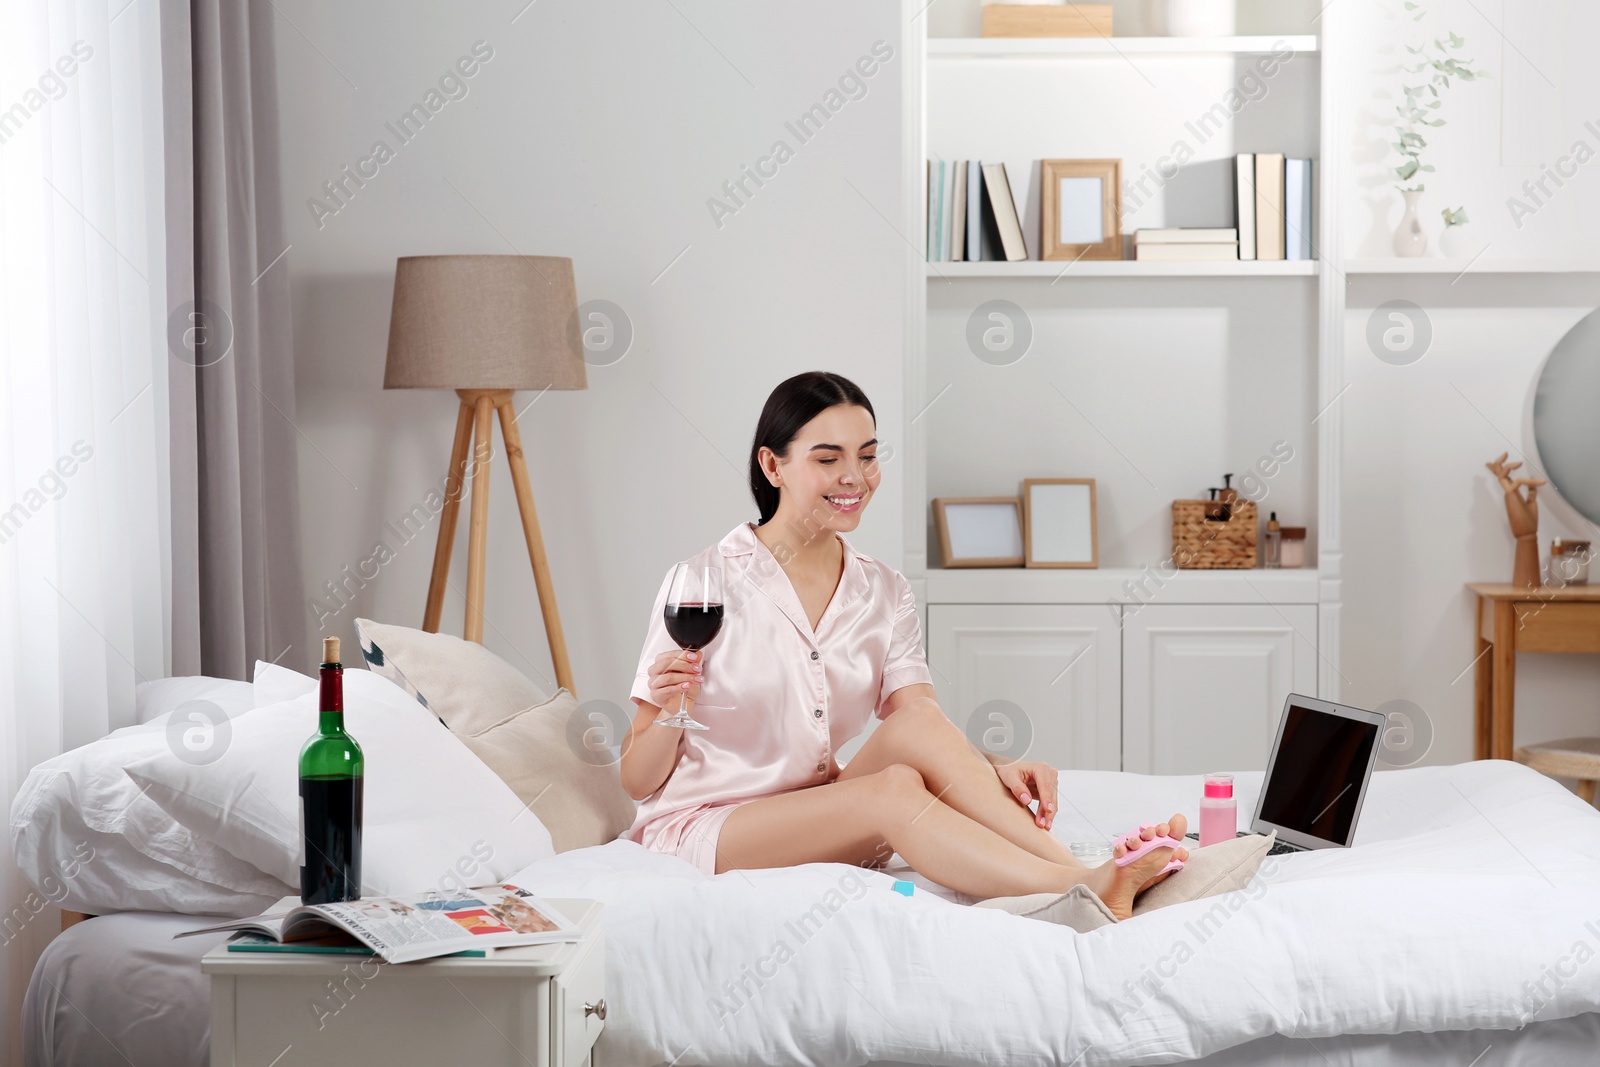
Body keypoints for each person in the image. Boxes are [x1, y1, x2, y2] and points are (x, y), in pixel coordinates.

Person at [618, 371, 1186, 919]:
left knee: (918, 725)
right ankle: (1079, 887)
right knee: (893, 790)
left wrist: (997, 767)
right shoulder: (703, 583)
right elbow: (636, 781)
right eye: (827, 459)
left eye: (867, 456)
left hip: (824, 807)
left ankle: (1084, 870)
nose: (855, 477)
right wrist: (670, 709)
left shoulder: (883, 589)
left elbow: (920, 725)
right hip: (713, 830)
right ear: (774, 466)